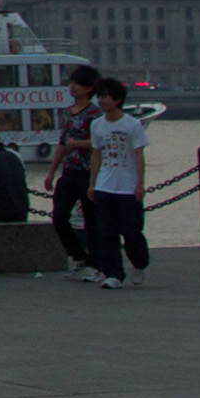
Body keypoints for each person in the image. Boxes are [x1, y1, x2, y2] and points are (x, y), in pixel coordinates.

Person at [86, 78, 152, 289]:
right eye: (99, 96)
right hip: (105, 186)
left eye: (105, 96)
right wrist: (92, 184)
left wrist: (140, 183)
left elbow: (139, 155)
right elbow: (96, 154)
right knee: (106, 232)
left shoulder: (132, 125)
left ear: (118, 99)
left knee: (132, 232)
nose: (101, 100)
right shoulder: (96, 125)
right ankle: (113, 273)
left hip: (128, 187)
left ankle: (139, 263)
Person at [41, 64, 102, 277]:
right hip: (69, 172)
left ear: (88, 88)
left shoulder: (95, 113)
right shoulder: (66, 113)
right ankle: (77, 255)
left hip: (89, 173)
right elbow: (62, 143)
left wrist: (77, 143)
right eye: (72, 82)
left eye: (78, 84)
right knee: (59, 217)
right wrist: (51, 171)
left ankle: (95, 264)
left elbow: (98, 143)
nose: (73, 87)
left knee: (92, 221)